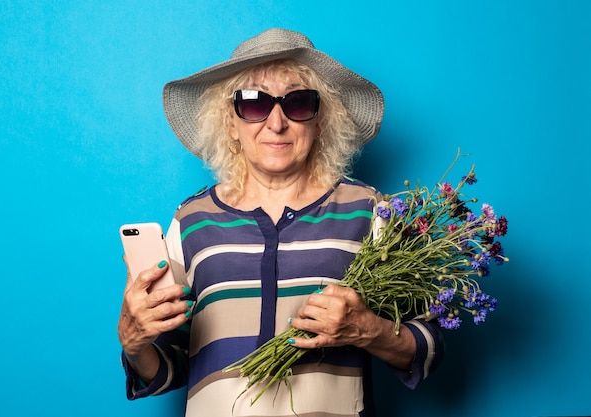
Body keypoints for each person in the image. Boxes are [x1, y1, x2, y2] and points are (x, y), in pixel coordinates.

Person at [117, 28, 444, 417]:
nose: (276, 123)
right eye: (254, 104)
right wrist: (135, 343)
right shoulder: (191, 221)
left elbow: (428, 345)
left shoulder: (371, 210)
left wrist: (369, 330)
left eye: (298, 102)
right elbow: (168, 366)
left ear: (320, 121)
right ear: (231, 124)